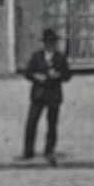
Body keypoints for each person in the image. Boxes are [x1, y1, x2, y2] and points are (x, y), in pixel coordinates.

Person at [21, 28, 72, 165]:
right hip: (38, 94)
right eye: (48, 42)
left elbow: (67, 76)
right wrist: (37, 76)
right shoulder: (36, 56)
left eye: (53, 42)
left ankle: (49, 150)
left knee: (52, 124)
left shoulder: (60, 57)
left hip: (54, 95)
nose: (51, 45)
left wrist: (59, 75)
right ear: (44, 43)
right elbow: (27, 73)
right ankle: (28, 151)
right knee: (32, 122)